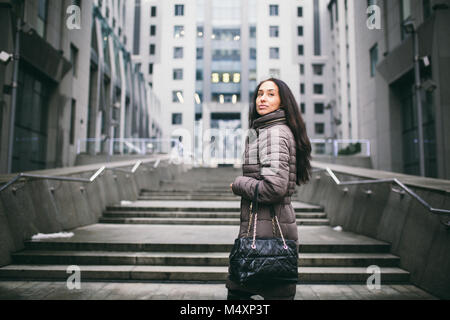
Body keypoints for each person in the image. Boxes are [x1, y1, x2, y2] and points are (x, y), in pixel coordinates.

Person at [227, 78, 312, 300]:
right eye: (260, 94)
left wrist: (239, 184)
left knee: (239, 293)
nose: (262, 98)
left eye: (271, 94)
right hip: (264, 228)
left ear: (283, 102)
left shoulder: (274, 133)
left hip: (269, 231)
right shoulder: (266, 130)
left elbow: (274, 188)